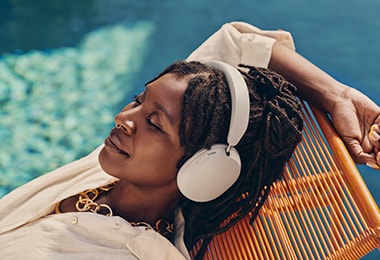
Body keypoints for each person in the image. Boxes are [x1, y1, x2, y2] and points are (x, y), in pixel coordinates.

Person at [0, 21, 378, 260]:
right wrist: (338, 95)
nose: (123, 119)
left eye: (153, 122)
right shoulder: (108, 179)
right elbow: (240, 42)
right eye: (138, 100)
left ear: (205, 168)